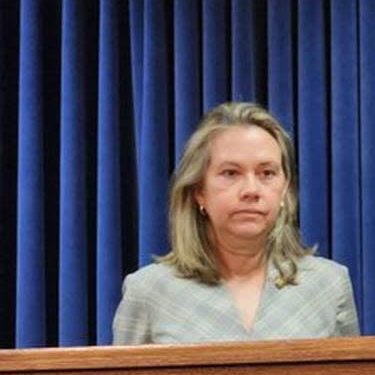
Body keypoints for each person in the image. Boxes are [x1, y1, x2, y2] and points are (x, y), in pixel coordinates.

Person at [112, 102, 359, 343]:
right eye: (231, 173)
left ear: (285, 190)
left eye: (267, 173)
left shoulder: (329, 284)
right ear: (199, 191)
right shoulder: (148, 291)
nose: (251, 190)